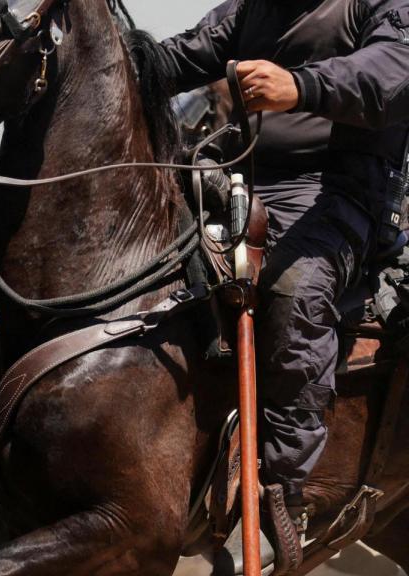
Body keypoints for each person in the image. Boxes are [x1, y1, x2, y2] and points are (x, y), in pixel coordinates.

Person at [159, 1, 409, 572]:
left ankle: (281, 494)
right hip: (234, 178)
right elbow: (179, 54)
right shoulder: (253, 7)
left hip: (340, 190)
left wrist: (301, 87)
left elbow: (395, 72)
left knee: (293, 288)